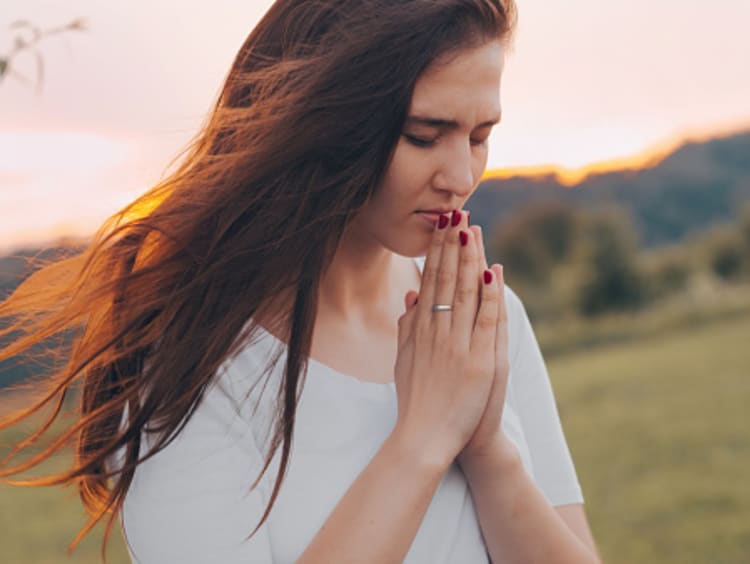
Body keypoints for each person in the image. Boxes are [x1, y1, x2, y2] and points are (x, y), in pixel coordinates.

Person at [0, 0, 602, 562]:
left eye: (479, 137)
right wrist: (422, 439)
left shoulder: (484, 319)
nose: (461, 175)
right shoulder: (196, 363)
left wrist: (489, 450)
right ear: (328, 124)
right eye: (423, 136)